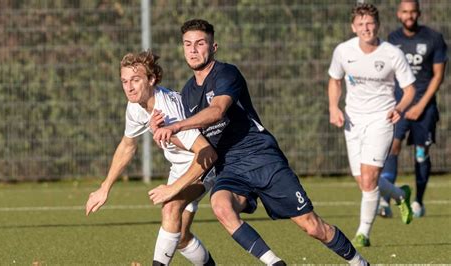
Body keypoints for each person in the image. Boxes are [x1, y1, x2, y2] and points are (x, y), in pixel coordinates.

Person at [151, 19, 368, 265]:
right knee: (221, 206)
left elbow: (217, 111)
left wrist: (177, 125)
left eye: (200, 43)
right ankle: (275, 263)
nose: (192, 49)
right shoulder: (187, 92)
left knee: (313, 227)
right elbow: (196, 140)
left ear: (213, 47)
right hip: (230, 167)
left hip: (262, 158)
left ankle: (359, 262)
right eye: (187, 44)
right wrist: (165, 135)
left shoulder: (226, 73)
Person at [85, 50, 217, 266]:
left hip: (204, 166)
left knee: (170, 207)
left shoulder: (168, 109)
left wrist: (173, 188)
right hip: (180, 167)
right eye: (124, 81)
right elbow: (128, 145)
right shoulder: (135, 106)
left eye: (135, 80)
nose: (129, 87)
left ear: (152, 79)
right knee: (181, 237)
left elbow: (206, 152)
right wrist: (105, 187)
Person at [328, 3, 416, 247]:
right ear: (353, 27)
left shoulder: (391, 53)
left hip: (382, 119)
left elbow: (410, 90)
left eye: (370, 24)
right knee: (364, 181)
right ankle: (400, 195)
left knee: (368, 180)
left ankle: (362, 234)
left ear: (377, 25)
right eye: (361, 24)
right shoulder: (343, 51)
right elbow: (334, 80)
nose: (366, 28)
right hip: (353, 122)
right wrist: (333, 107)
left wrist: (399, 108)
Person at [378, 0, 448, 218]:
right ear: (399, 14)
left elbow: (438, 76)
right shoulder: (392, 40)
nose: (409, 15)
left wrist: (420, 105)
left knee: (421, 153)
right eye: (405, 12)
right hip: (399, 104)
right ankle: (386, 200)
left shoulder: (433, 38)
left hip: (424, 107)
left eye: (413, 11)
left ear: (419, 13)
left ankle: (418, 201)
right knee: (392, 147)